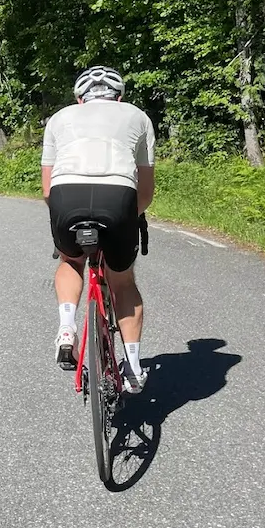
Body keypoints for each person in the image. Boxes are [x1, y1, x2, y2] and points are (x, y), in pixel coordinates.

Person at [41, 66, 156, 394]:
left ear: (79, 99)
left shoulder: (59, 118)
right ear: (119, 97)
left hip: (66, 197)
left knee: (71, 262)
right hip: (118, 198)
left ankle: (67, 328)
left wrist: (66, 228)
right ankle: (133, 367)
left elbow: (48, 190)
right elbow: (145, 190)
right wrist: (127, 218)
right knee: (122, 281)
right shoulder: (137, 117)